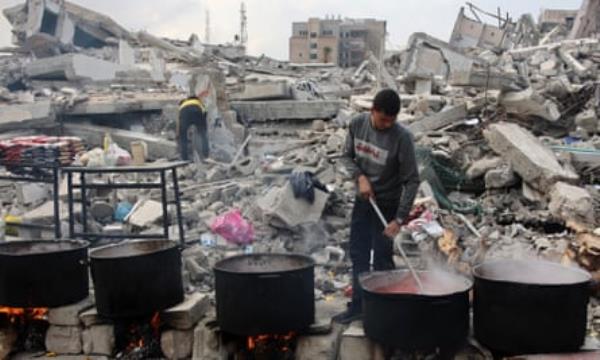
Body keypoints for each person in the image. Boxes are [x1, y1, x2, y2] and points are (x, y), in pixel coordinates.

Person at [333, 89, 420, 324]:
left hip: (388, 204)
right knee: (359, 253)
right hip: (364, 201)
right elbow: (345, 157)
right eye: (383, 119)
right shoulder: (357, 124)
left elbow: (412, 180)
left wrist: (399, 219)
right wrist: (360, 177)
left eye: (392, 121)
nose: (387, 125)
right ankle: (359, 306)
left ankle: (386, 312)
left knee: (382, 257)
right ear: (373, 111)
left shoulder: (402, 138)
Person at [177, 94, 209, 161]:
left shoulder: (182, 105)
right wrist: (202, 126)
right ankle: (206, 155)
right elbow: (205, 112)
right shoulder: (198, 102)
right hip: (197, 112)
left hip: (184, 114)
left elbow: (179, 119)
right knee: (203, 135)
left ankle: (184, 158)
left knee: (183, 137)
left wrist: (179, 133)